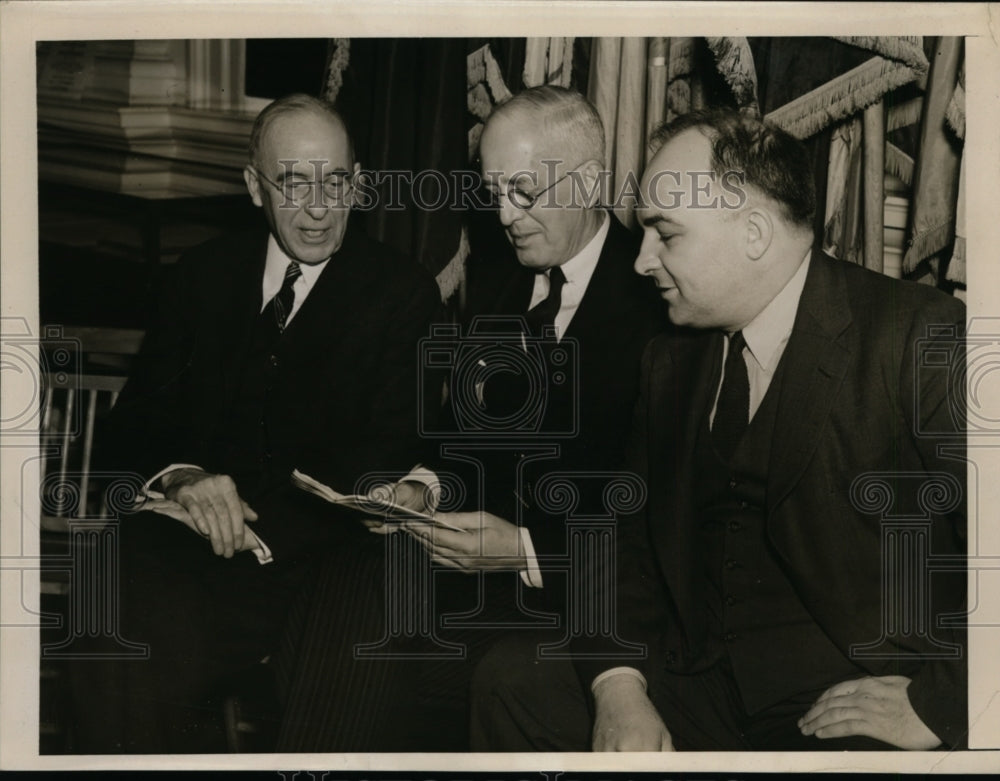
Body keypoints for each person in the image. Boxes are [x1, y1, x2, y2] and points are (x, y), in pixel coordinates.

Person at [471, 107, 967, 751]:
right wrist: (618, 686)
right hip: (701, 678)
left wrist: (941, 706)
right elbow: (623, 542)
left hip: (852, 693)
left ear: (754, 232)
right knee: (512, 682)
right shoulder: (671, 359)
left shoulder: (921, 337)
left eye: (665, 235)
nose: (641, 260)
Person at [274, 86, 667, 751]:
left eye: (524, 191)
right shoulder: (500, 279)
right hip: (474, 581)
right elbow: (462, 444)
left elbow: (653, 516)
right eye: (493, 193)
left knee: (361, 648)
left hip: (582, 599)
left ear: (591, 180)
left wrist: (519, 548)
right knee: (351, 571)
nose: (506, 215)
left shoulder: (659, 300)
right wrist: (422, 489)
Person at [69, 93, 442, 753]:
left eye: (336, 181)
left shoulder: (402, 292)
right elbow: (135, 427)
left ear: (358, 183)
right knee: (113, 597)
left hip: (322, 562)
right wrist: (184, 480)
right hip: (196, 556)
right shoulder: (201, 278)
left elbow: (388, 452)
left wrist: (252, 530)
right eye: (294, 182)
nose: (320, 207)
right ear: (253, 185)